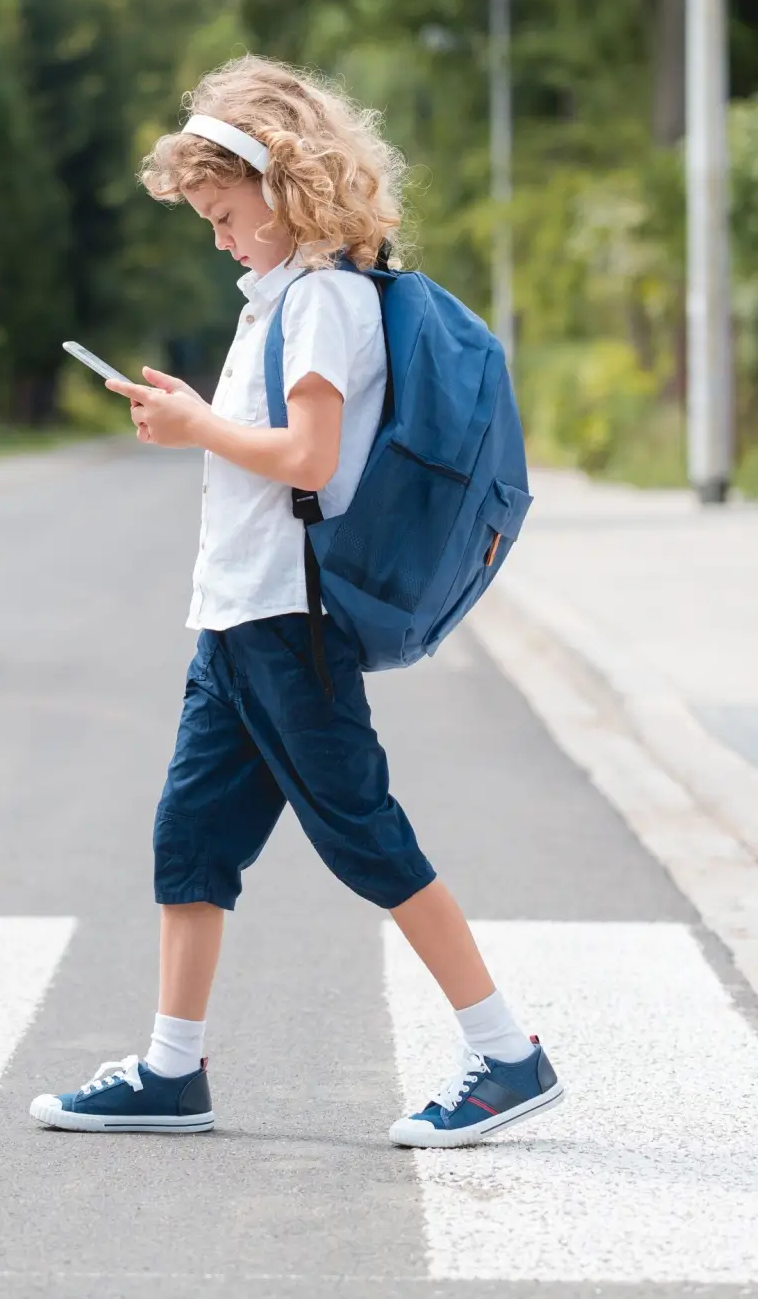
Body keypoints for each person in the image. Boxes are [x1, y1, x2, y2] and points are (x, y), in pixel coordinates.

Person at [28, 56, 564, 1148]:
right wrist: (195, 417)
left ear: (282, 188)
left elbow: (309, 459)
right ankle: (173, 1071)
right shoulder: (282, 298)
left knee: (365, 837)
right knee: (189, 842)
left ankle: (507, 1053)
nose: (217, 237)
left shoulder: (321, 299)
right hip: (235, 617)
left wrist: (193, 428)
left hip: (287, 619)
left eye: (224, 214)